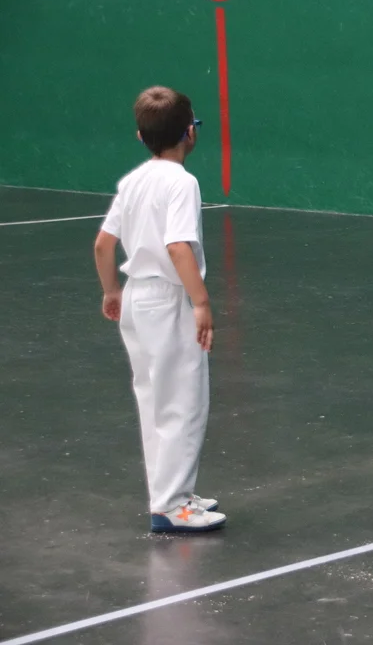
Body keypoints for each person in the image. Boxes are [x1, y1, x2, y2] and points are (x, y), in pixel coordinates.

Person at [93, 86, 226, 533]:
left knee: (155, 401)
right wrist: (200, 302)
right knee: (184, 402)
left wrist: (112, 292)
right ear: (190, 133)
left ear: (140, 136)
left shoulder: (133, 181)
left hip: (136, 299)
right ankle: (171, 505)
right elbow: (177, 246)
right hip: (168, 302)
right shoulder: (182, 182)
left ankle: (171, 493)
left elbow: (103, 244)